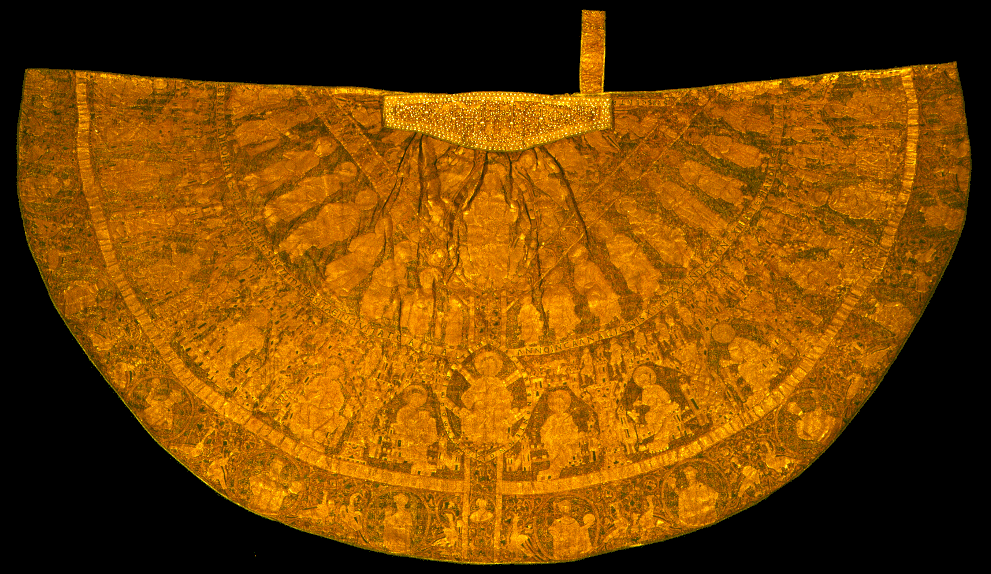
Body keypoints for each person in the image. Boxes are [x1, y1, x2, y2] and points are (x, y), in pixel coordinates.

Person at [392, 385, 439, 474]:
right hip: (406, 435)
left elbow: (421, 425)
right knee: (416, 441)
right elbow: (400, 425)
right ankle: (417, 463)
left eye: (419, 399)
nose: (417, 401)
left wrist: (427, 422)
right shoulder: (403, 411)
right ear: (409, 398)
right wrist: (413, 427)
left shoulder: (420, 412)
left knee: (429, 428)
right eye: (415, 398)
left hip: (418, 435)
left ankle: (422, 463)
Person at [539, 390, 583, 479]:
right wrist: (553, 428)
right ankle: (554, 469)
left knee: (565, 451)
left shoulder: (567, 417)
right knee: (554, 448)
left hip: (565, 441)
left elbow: (573, 429)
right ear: (553, 406)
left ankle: (562, 469)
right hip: (554, 442)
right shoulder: (551, 418)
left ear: (564, 406)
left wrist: (564, 427)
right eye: (556, 405)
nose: (559, 407)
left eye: (561, 405)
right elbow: (543, 430)